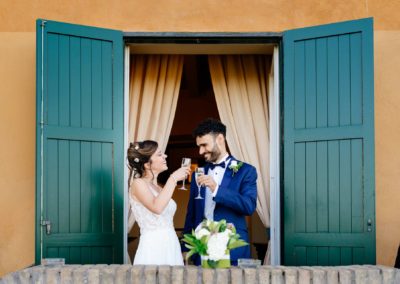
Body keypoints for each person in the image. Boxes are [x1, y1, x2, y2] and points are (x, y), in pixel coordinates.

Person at [183, 118, 258, 265]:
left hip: (232, 250)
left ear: (220, 138)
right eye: (199, 146)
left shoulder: (246, 171)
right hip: (201, 250)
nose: (200, 151)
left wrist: (217, 189)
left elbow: (249, 206)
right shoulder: (198, 173)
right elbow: (191, 213)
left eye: (204, 145)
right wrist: (185, 247)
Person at [127, 140, 191, 265]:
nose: (165, 156)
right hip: (153, 246)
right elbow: (157, 207)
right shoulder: (138, 184)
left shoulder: (160, 187)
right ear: (147, 164)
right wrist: (173, 178)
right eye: (159, 154)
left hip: (171, 244)